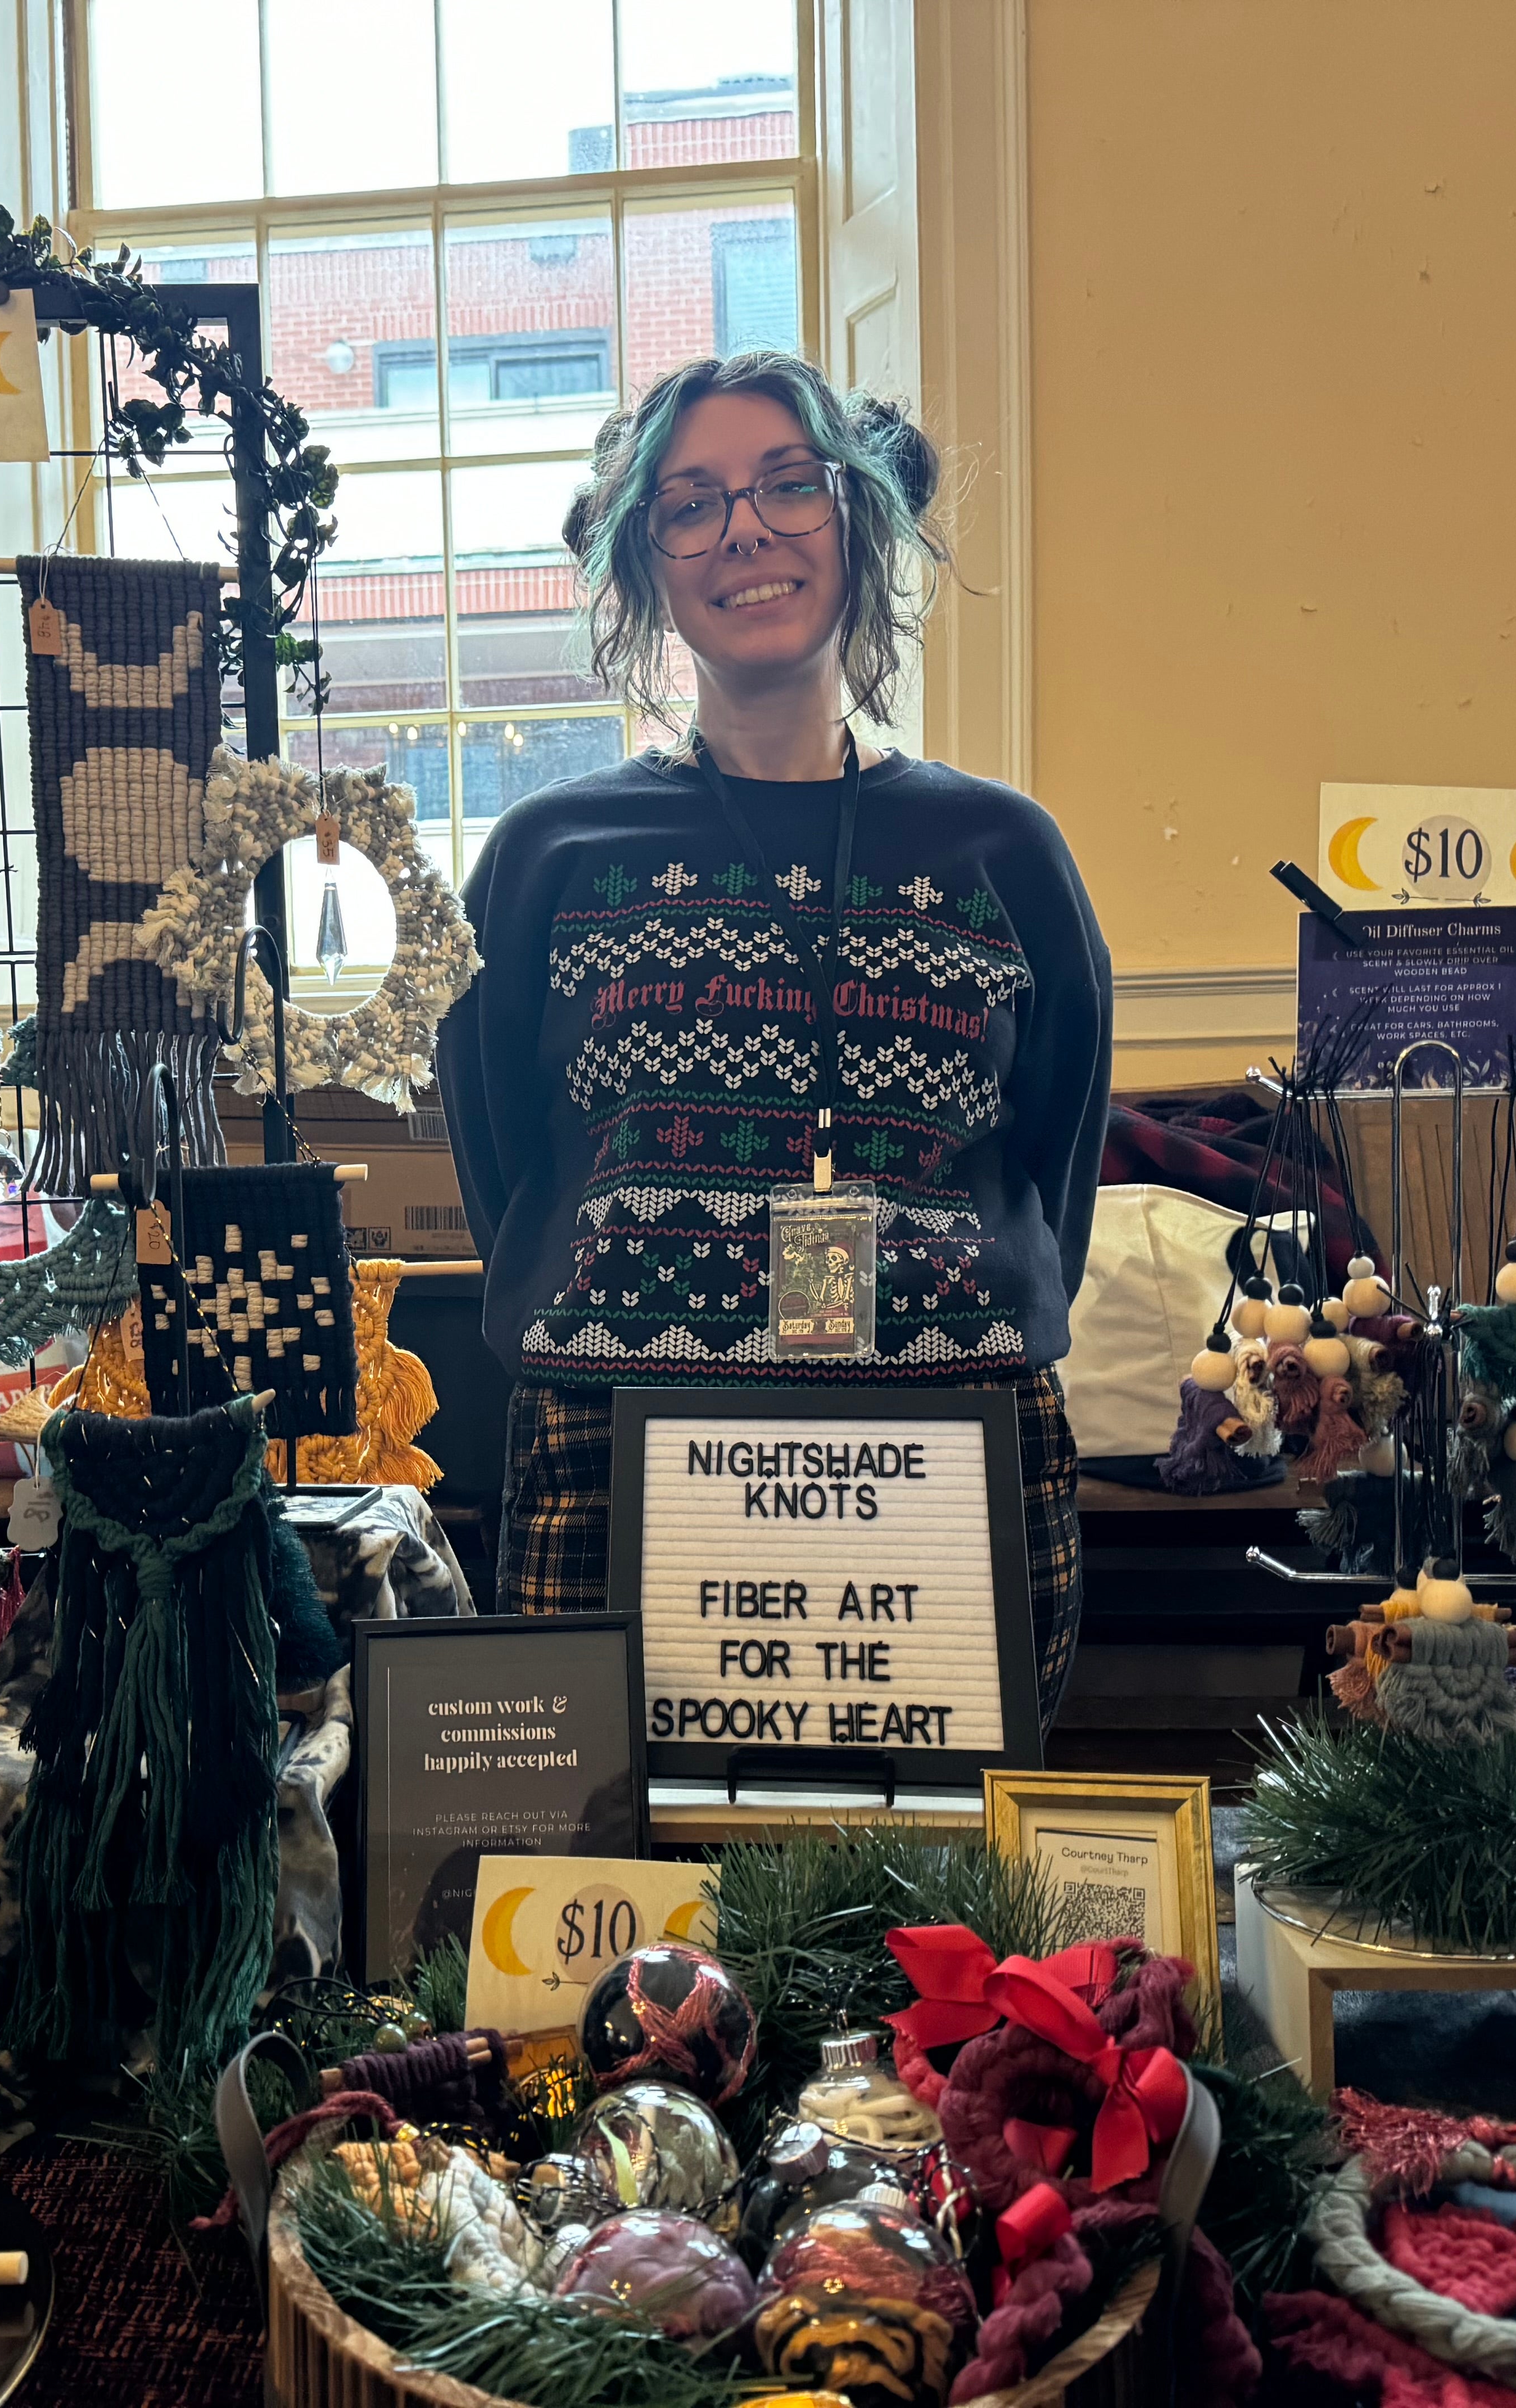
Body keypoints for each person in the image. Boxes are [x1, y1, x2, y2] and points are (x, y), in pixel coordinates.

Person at [439, 352, 1114, 1721]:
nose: (743, 530)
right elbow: (511, 1162)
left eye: (787, 486)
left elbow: (1057, 1159)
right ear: (645, 564)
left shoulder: (1003, 853)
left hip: (949, 1449)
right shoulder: (550, 856)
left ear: (858, 521)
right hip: (612, 1451)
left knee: (941, 1912)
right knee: (621, 1895)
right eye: (688, 505)